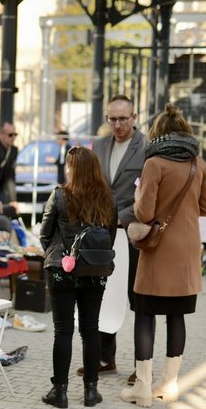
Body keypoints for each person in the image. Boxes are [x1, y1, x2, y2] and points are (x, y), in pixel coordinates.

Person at [120, 104, 206, 408]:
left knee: (145, 314)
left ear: (157, 133)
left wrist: (138, 199)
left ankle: (143, 388)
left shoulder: (154, 163)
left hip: (158, 251)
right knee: (177, 316)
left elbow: (144, 213)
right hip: (187, 253)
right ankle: (169, 385)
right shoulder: (198, 164)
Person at [39, 147, 117, 409]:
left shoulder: (60, 195)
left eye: (69, 165)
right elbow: (110, 237)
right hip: (95, 273)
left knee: (63, 331)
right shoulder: (108, 199)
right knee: (90, 329)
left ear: (73, 169)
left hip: (63, 269)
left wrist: (58, 255)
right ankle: (91, 392)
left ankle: (59, 392)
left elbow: (44, 234)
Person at [81, 94, 149, 381]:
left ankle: (141, 365)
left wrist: (125, 214)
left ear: (134, 117)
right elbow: (92, 184)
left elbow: (150, 192)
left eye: (123, 118)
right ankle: (105, 359)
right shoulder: (100, 145)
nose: (118, 124)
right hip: (101, 232)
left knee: (136, 299)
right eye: (113, 119)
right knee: (103, 294)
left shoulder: (146, 147)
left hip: (130, 232)